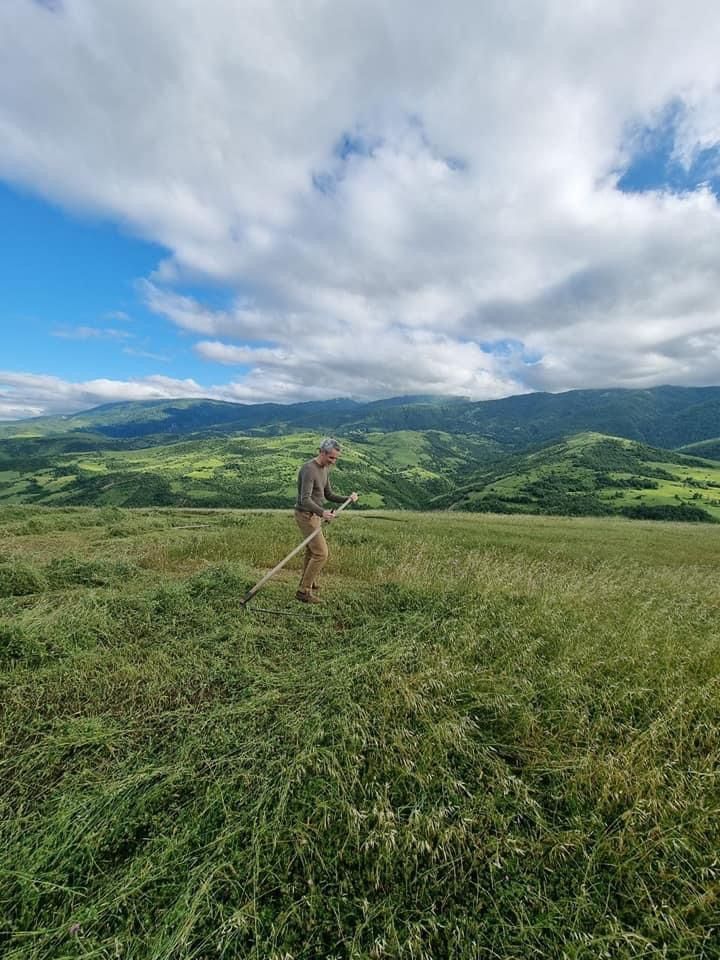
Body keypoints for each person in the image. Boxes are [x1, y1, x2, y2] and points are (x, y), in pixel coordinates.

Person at [294, 438, 358, 603]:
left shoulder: (324, 469)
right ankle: (303, 592)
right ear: (322, 452)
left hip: (315, 515)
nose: (333, 461)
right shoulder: (309, 469)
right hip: (305, 515)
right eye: (331, 457)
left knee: (312, 551)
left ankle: (309, 581)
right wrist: (322, 512)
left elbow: (328, 494)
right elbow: (304, 499)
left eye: (336, 458)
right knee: (321, 553)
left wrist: (347, 498)